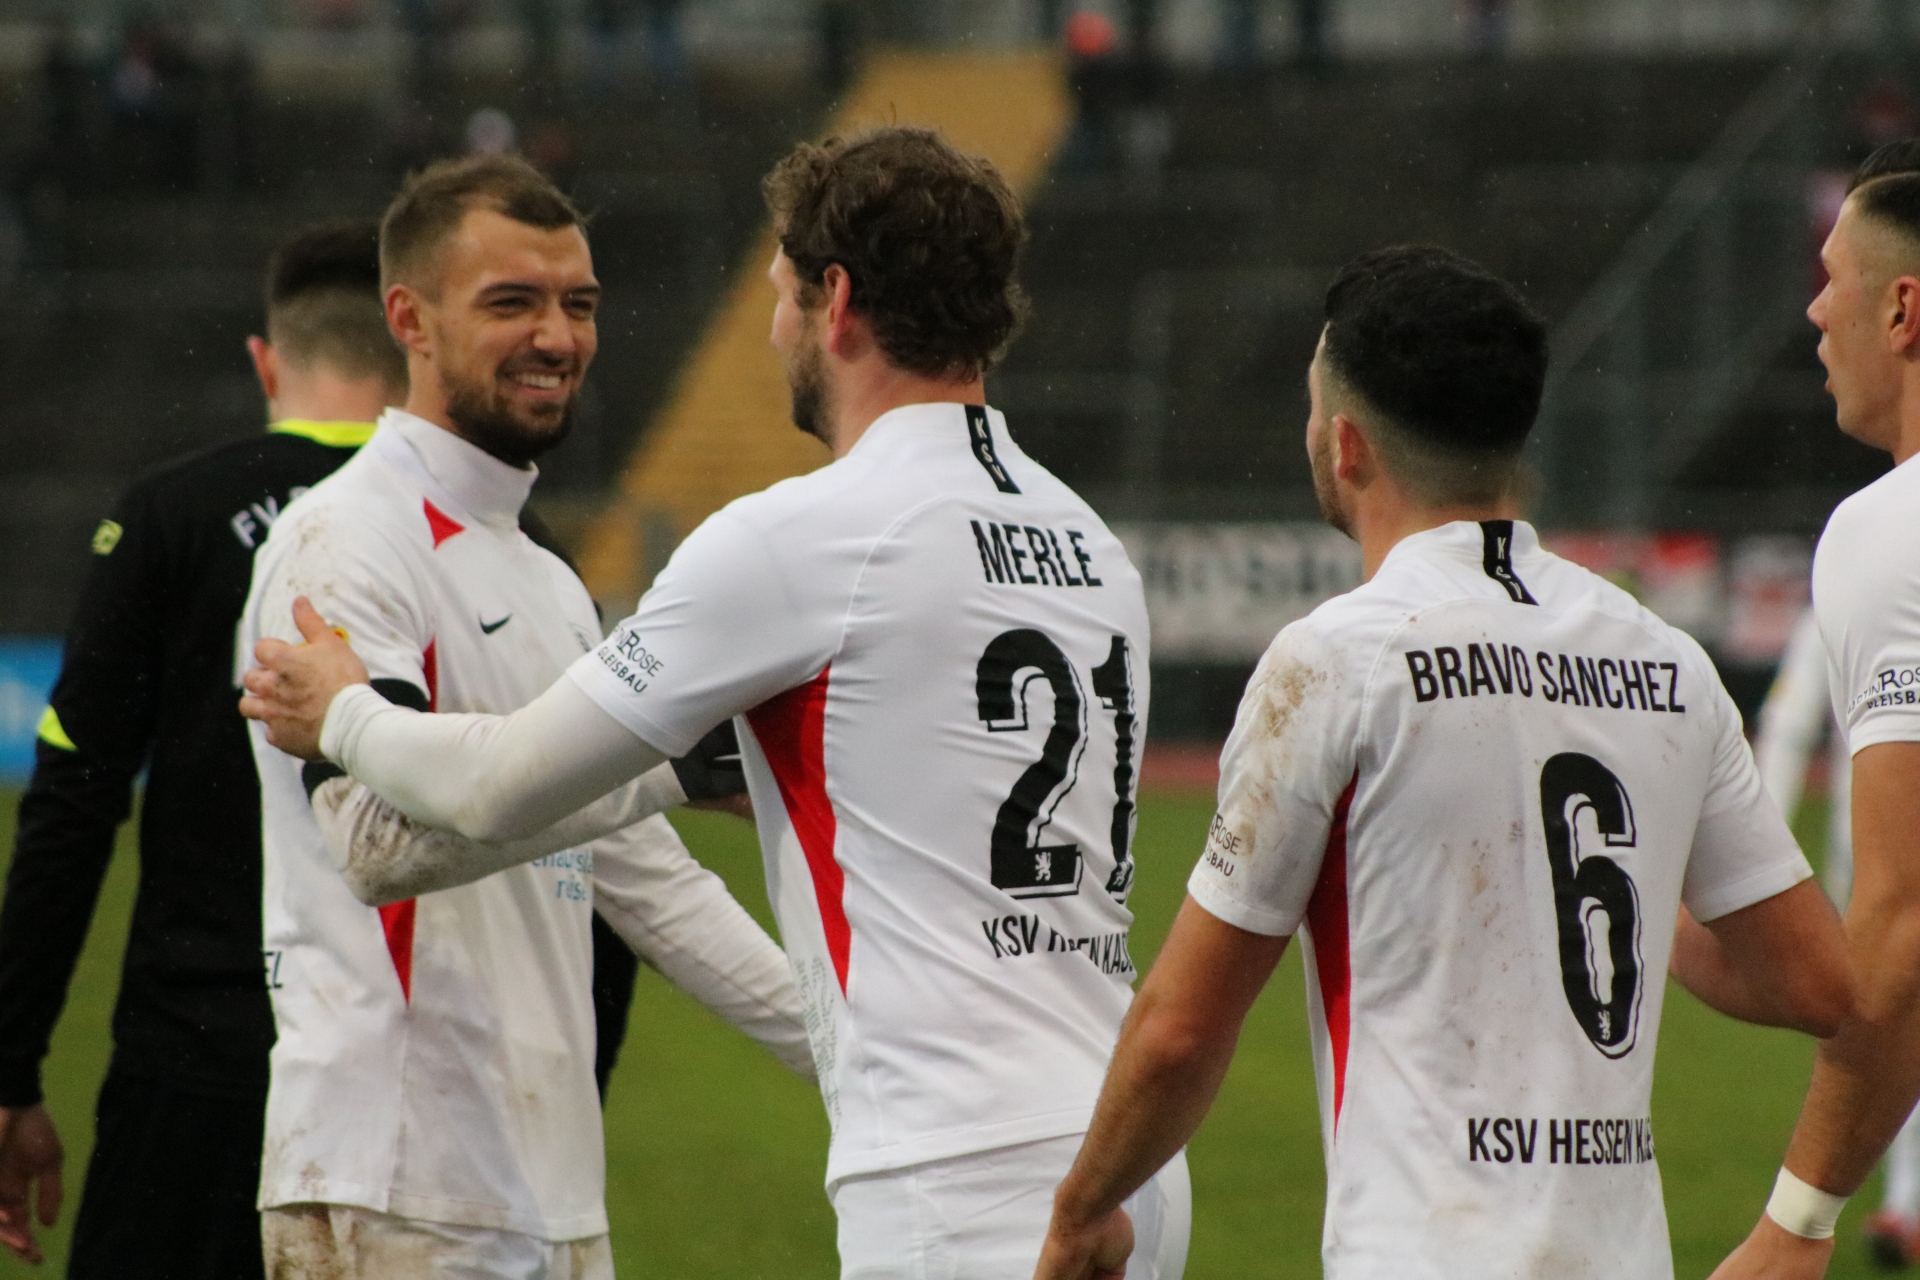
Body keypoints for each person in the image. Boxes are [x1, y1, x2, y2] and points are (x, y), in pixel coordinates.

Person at [239, 127, 1189, 1278]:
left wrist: (344, 713)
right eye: (515, 301)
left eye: (781, 293)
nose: (774, 327)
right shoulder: (1090, 544)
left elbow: (503, 790)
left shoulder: (797, 537)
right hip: (1117, 1146)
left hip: (957, 1166)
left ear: (836, 300)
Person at [1030, 245, 1853, 1280]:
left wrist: (1081, 1208)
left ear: (1346, 443)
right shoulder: (1669, 662)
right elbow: (1818, 984)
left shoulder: (1337, 661)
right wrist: (1630, 906)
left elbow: (1183, 1030)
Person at [237, 155, 812, 1278]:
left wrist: (863, 1062)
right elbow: (375, 845)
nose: (557, 336)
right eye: (512, 302)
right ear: (409, 318)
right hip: (392, 1179)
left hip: (546, 1190)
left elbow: (646, 877)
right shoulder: (341, 541)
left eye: (577, 303)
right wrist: (669, 765)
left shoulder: (545, 578)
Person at [0, 222, 408, 1274]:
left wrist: (11, 1067)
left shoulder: (171, 513)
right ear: (412, 349)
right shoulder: (491, 534)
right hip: (418, 1089)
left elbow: (74, 799)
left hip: (200, 1065)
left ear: (267, 362)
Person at [1708, 144, 1920, 1280]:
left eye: (1831, 277)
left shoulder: (1892, 531)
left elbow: (1907, 922)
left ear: (1903, 310)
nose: (1812, 309)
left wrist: (1797, 1218)